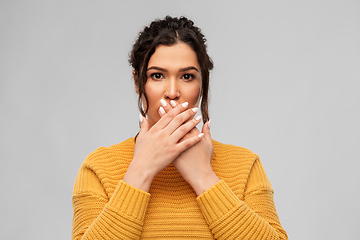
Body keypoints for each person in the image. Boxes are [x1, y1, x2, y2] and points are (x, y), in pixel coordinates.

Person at [72, 16, 288, 240]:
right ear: (137, 83)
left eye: (187, 76)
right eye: (157, 76)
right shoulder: (98, 168)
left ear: (202, 83)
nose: (172, 92)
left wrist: (204, 177)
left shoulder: (245, 165)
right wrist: (141, 170)